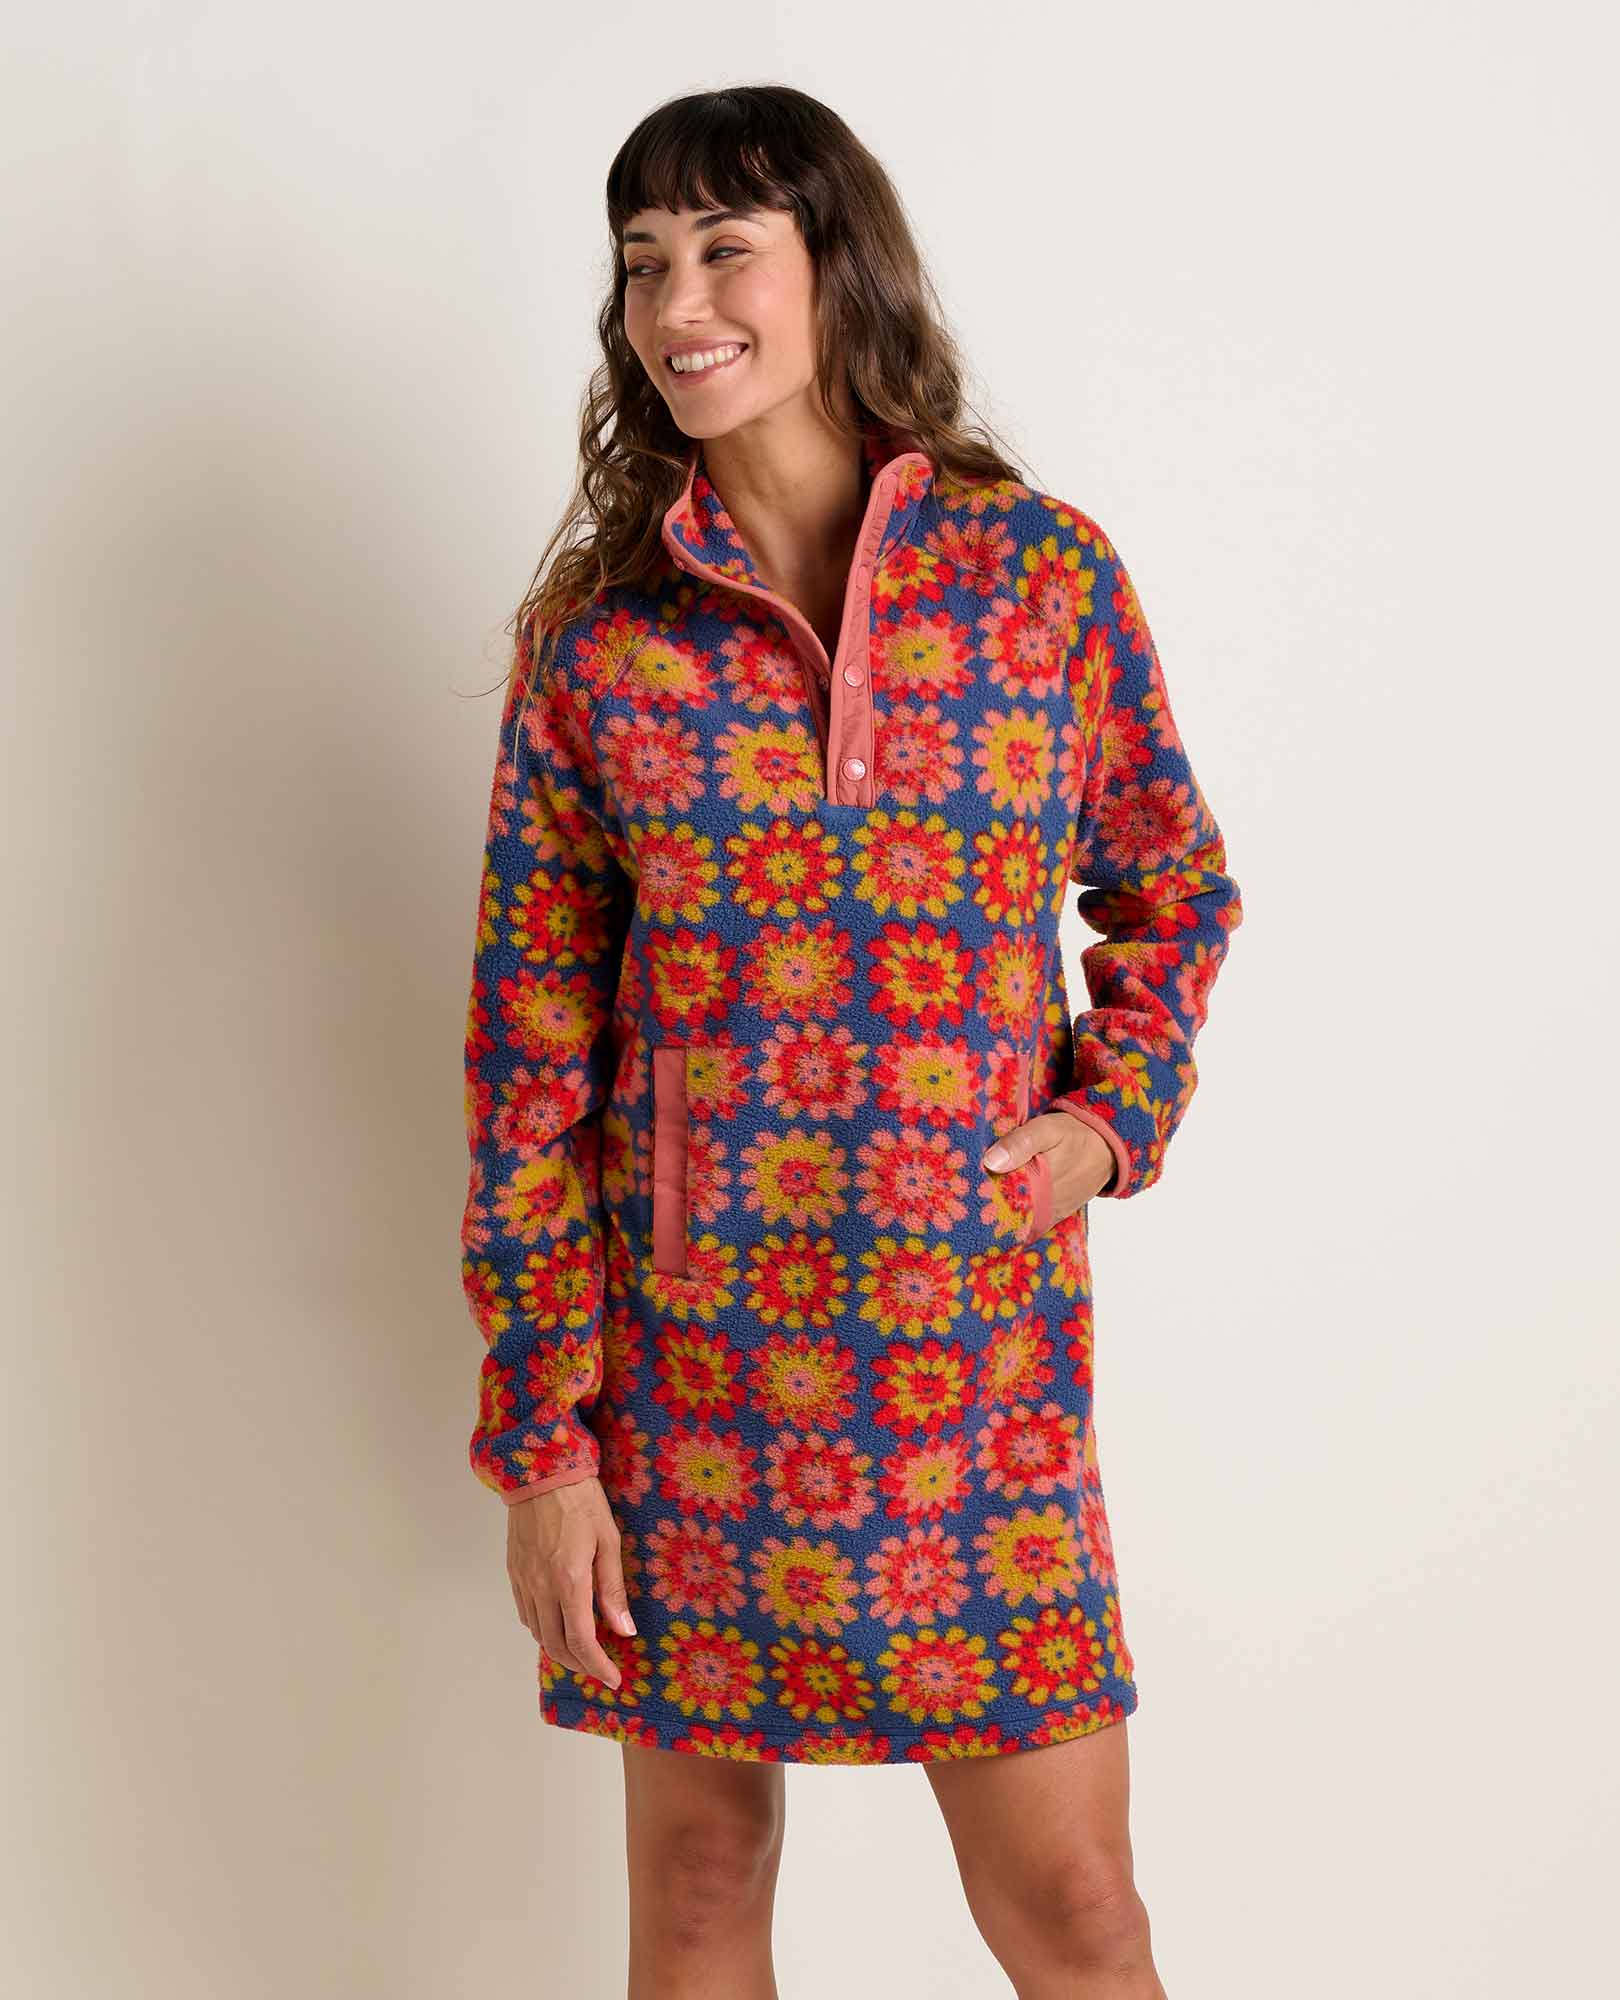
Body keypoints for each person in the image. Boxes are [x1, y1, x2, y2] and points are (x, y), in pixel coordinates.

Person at [458, 82, 1242, 1997]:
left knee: (1076, 1909)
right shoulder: (600, 646)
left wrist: (1105, 1123)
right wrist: (547, 1451)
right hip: (691, 1382)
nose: (677, 303)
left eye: (726, 249)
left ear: (839, 269)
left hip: (980, 1365)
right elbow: (525, 1072)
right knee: (700, 1892)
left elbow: (1173, 886)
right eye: (643, 261)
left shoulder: (1039, 578)